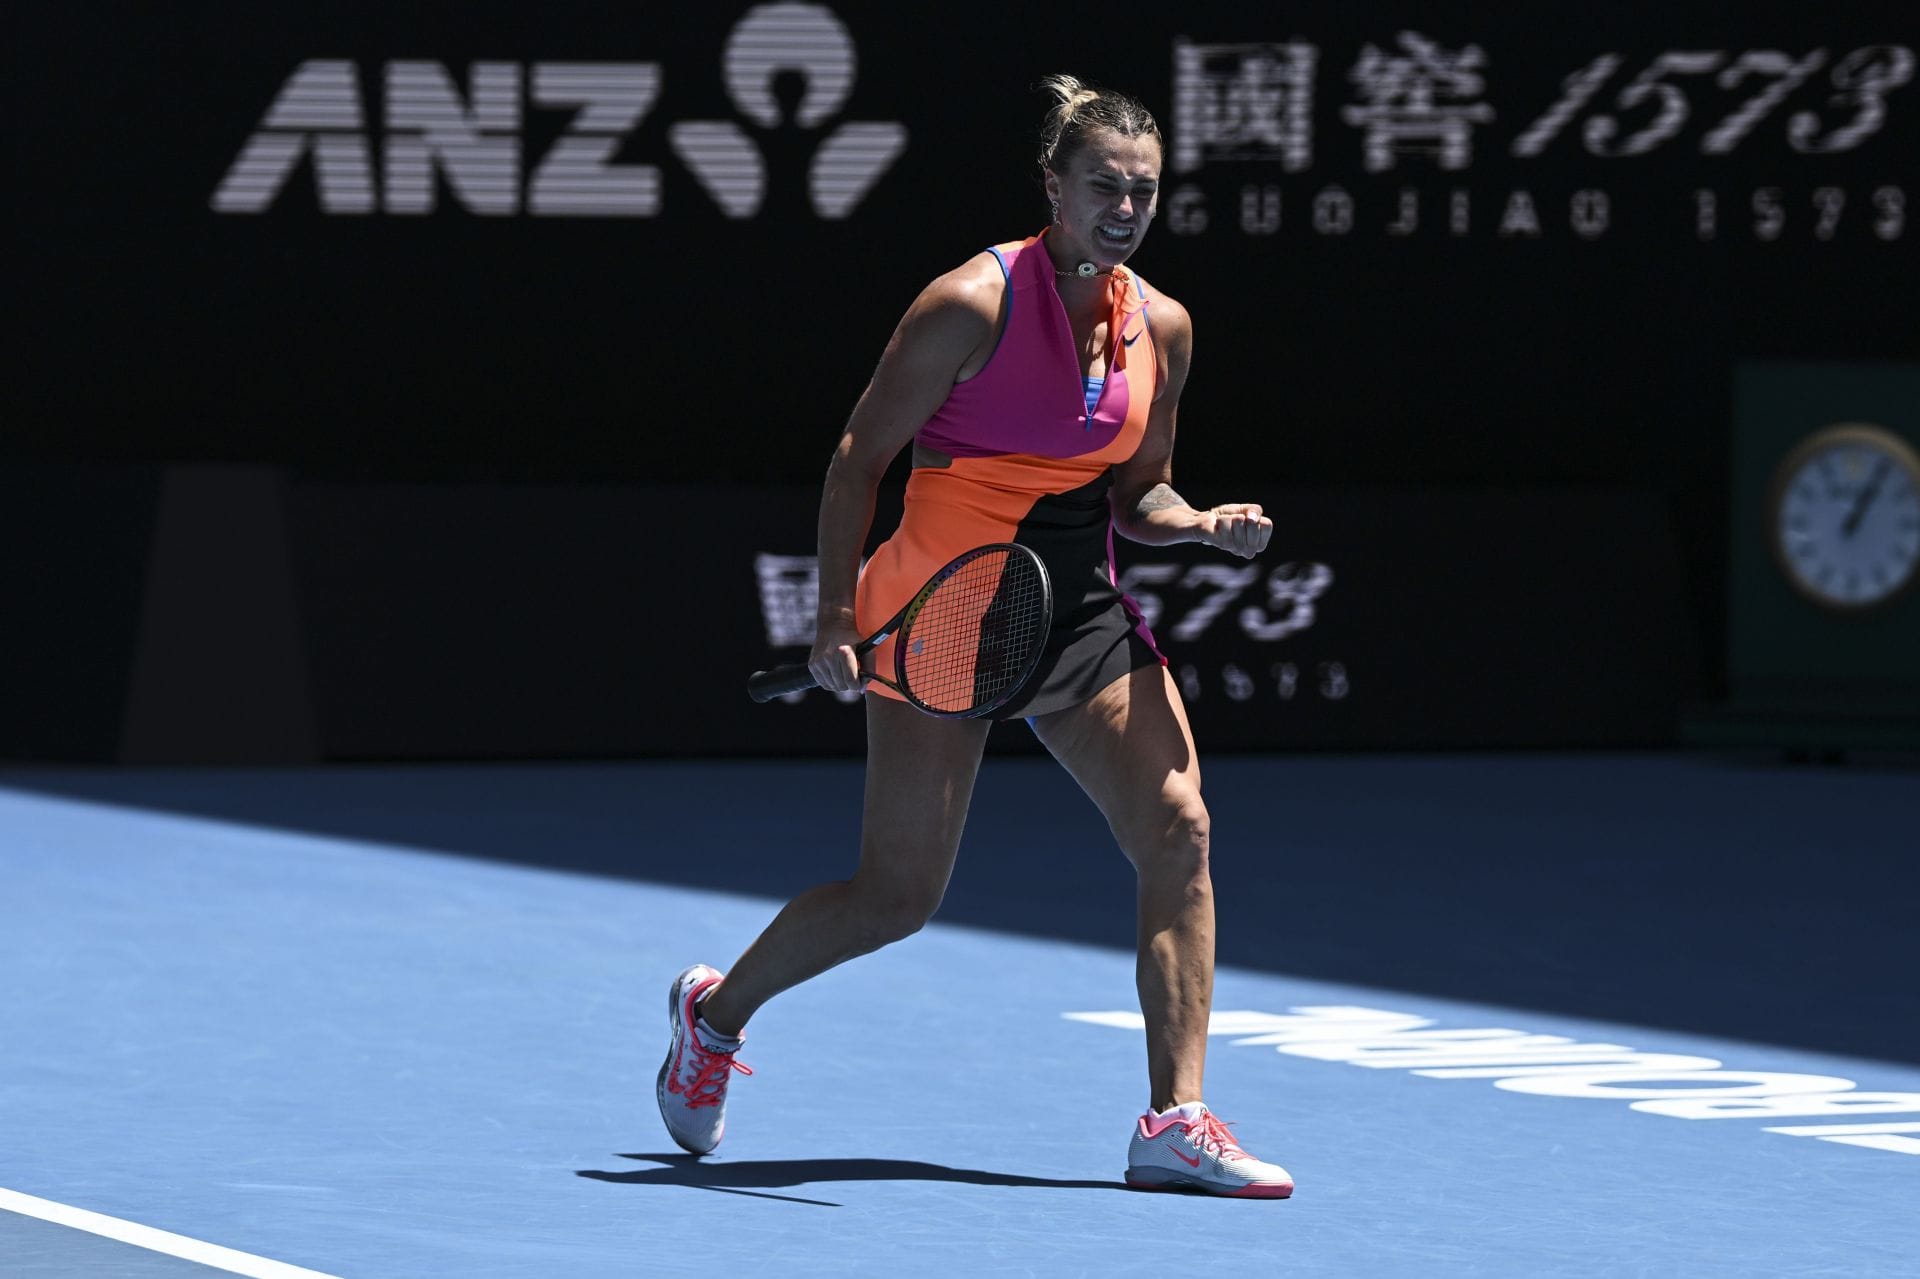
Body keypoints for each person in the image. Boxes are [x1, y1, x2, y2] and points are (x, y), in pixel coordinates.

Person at [657, 75, 1292, 1198]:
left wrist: (1198, 523)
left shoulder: (1163, 328)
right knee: (897, 898)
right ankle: (714, 1016)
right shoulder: (969, 304)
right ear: (1053, 185)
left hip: (1075, 611)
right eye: (1105, 186)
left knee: (1180, 828)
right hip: (941, 612)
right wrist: (836, 617)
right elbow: (857, 459)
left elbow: (1139, 494)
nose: (1126, 209)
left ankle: (1173, 1120)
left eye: (1145, 191)